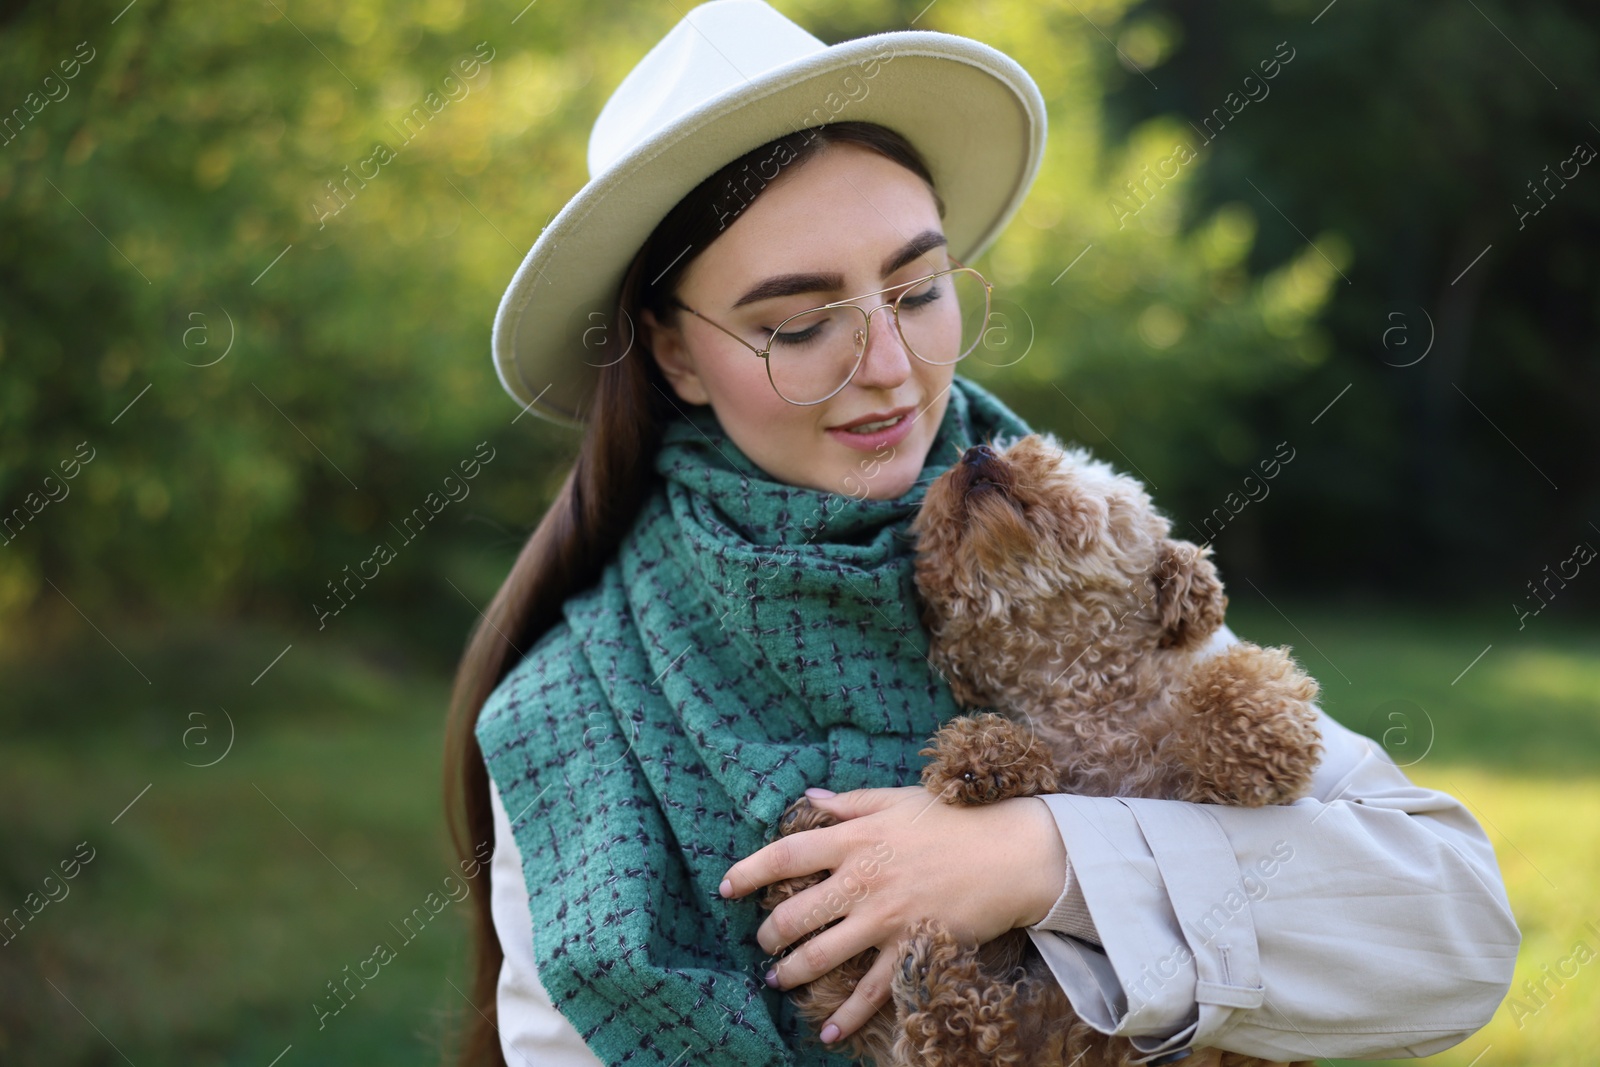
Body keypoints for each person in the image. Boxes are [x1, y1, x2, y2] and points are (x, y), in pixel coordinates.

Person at [442, 3, 1521, 1066]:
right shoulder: (565, 714)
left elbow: (1451, 934)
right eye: (797, 324)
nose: (889, 365)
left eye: (916, 289)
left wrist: (1044, 858)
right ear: (674, 357)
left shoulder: (1073, 554)